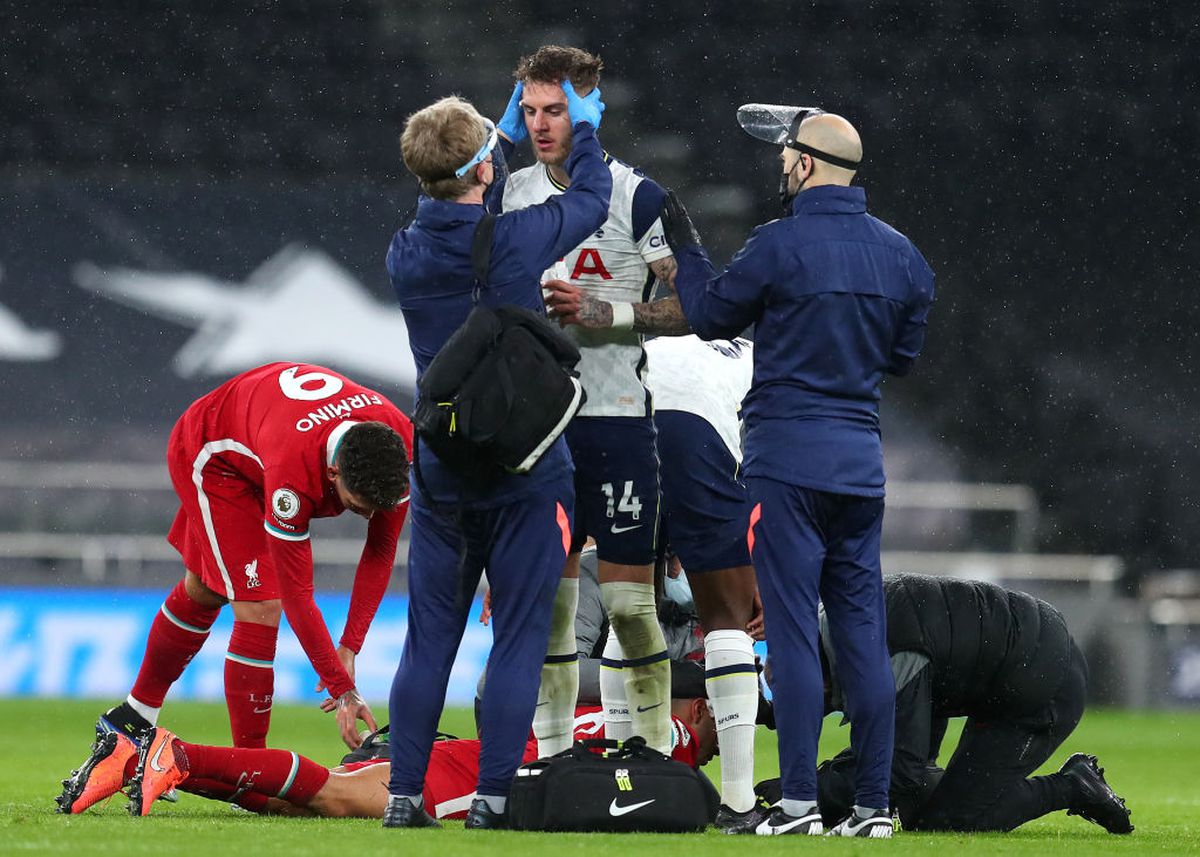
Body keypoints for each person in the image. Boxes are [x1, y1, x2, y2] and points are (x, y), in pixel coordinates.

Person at [661, 105, 936, 837]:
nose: (781, 166)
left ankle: (798, 804)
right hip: (860, 467)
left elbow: (711, 315)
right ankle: (874, 808)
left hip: (786, 464)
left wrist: (686, 249)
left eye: (787, 156)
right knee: (862, 638)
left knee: (789, 634)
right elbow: (902, 358)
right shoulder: (905, 256)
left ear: (807, 163)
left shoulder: (777, 243)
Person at [382, 87, 610, 831]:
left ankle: (403, 797)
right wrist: (585, 129)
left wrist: (490, 144)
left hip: (442, 469)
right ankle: (492, 799)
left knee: (428, 641)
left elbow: (455, 200)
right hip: (527, 470)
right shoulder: (513, 242)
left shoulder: (404, 251)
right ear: (484, 170)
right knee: (517, 636)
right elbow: (592, 199)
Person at [55, 362, 412, 816]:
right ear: (334, 471)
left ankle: (132, 718)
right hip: (213, 455)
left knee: (206, 589)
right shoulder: (293, 471)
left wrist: (350, 645)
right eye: (355, 505)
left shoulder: (395, 448)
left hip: (256, 432)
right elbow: (298, 596)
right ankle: (252, 777)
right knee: (261, 603)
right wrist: (343, 689)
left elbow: (381, 552)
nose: (367, 515)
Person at [495, 45, 690, 763]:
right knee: (550, 610)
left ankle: (652, 760)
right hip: (538, 432)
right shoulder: (507, 193)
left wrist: (608, 314)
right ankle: (551, 763)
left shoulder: (639, 197)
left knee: (631, 609)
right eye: (530, 111)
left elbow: (697, 304)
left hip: (617, 422)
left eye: (556, 111)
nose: (541, 125)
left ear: (587, 112)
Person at [758, 573, 1133, 835]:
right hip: (1006, 659)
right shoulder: (839, 629)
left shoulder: (888, 653)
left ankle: (1073, 785)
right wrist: (758, 713)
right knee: (914, 799)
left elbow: (898, 768)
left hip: (1043, 684)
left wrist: (807, 794)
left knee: (948, 819)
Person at [80, 695, 717, 819]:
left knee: (295, 805)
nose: (721, 741)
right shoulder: (673, 733)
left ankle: (146, 762)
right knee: (333, 795)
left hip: (469, 753)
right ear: (697, 709)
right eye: (719, 721)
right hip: (471, 773)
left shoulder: (608, 704)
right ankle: (175, 752)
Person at [643, 333, 763, 828]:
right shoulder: (763, 356)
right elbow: (768, 468)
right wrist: (760, 572)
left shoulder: (659, 342)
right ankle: (738, 804)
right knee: (728, 622)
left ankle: (637, 782)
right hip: (700, 427)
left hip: (629, 419)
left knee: (631, 605)